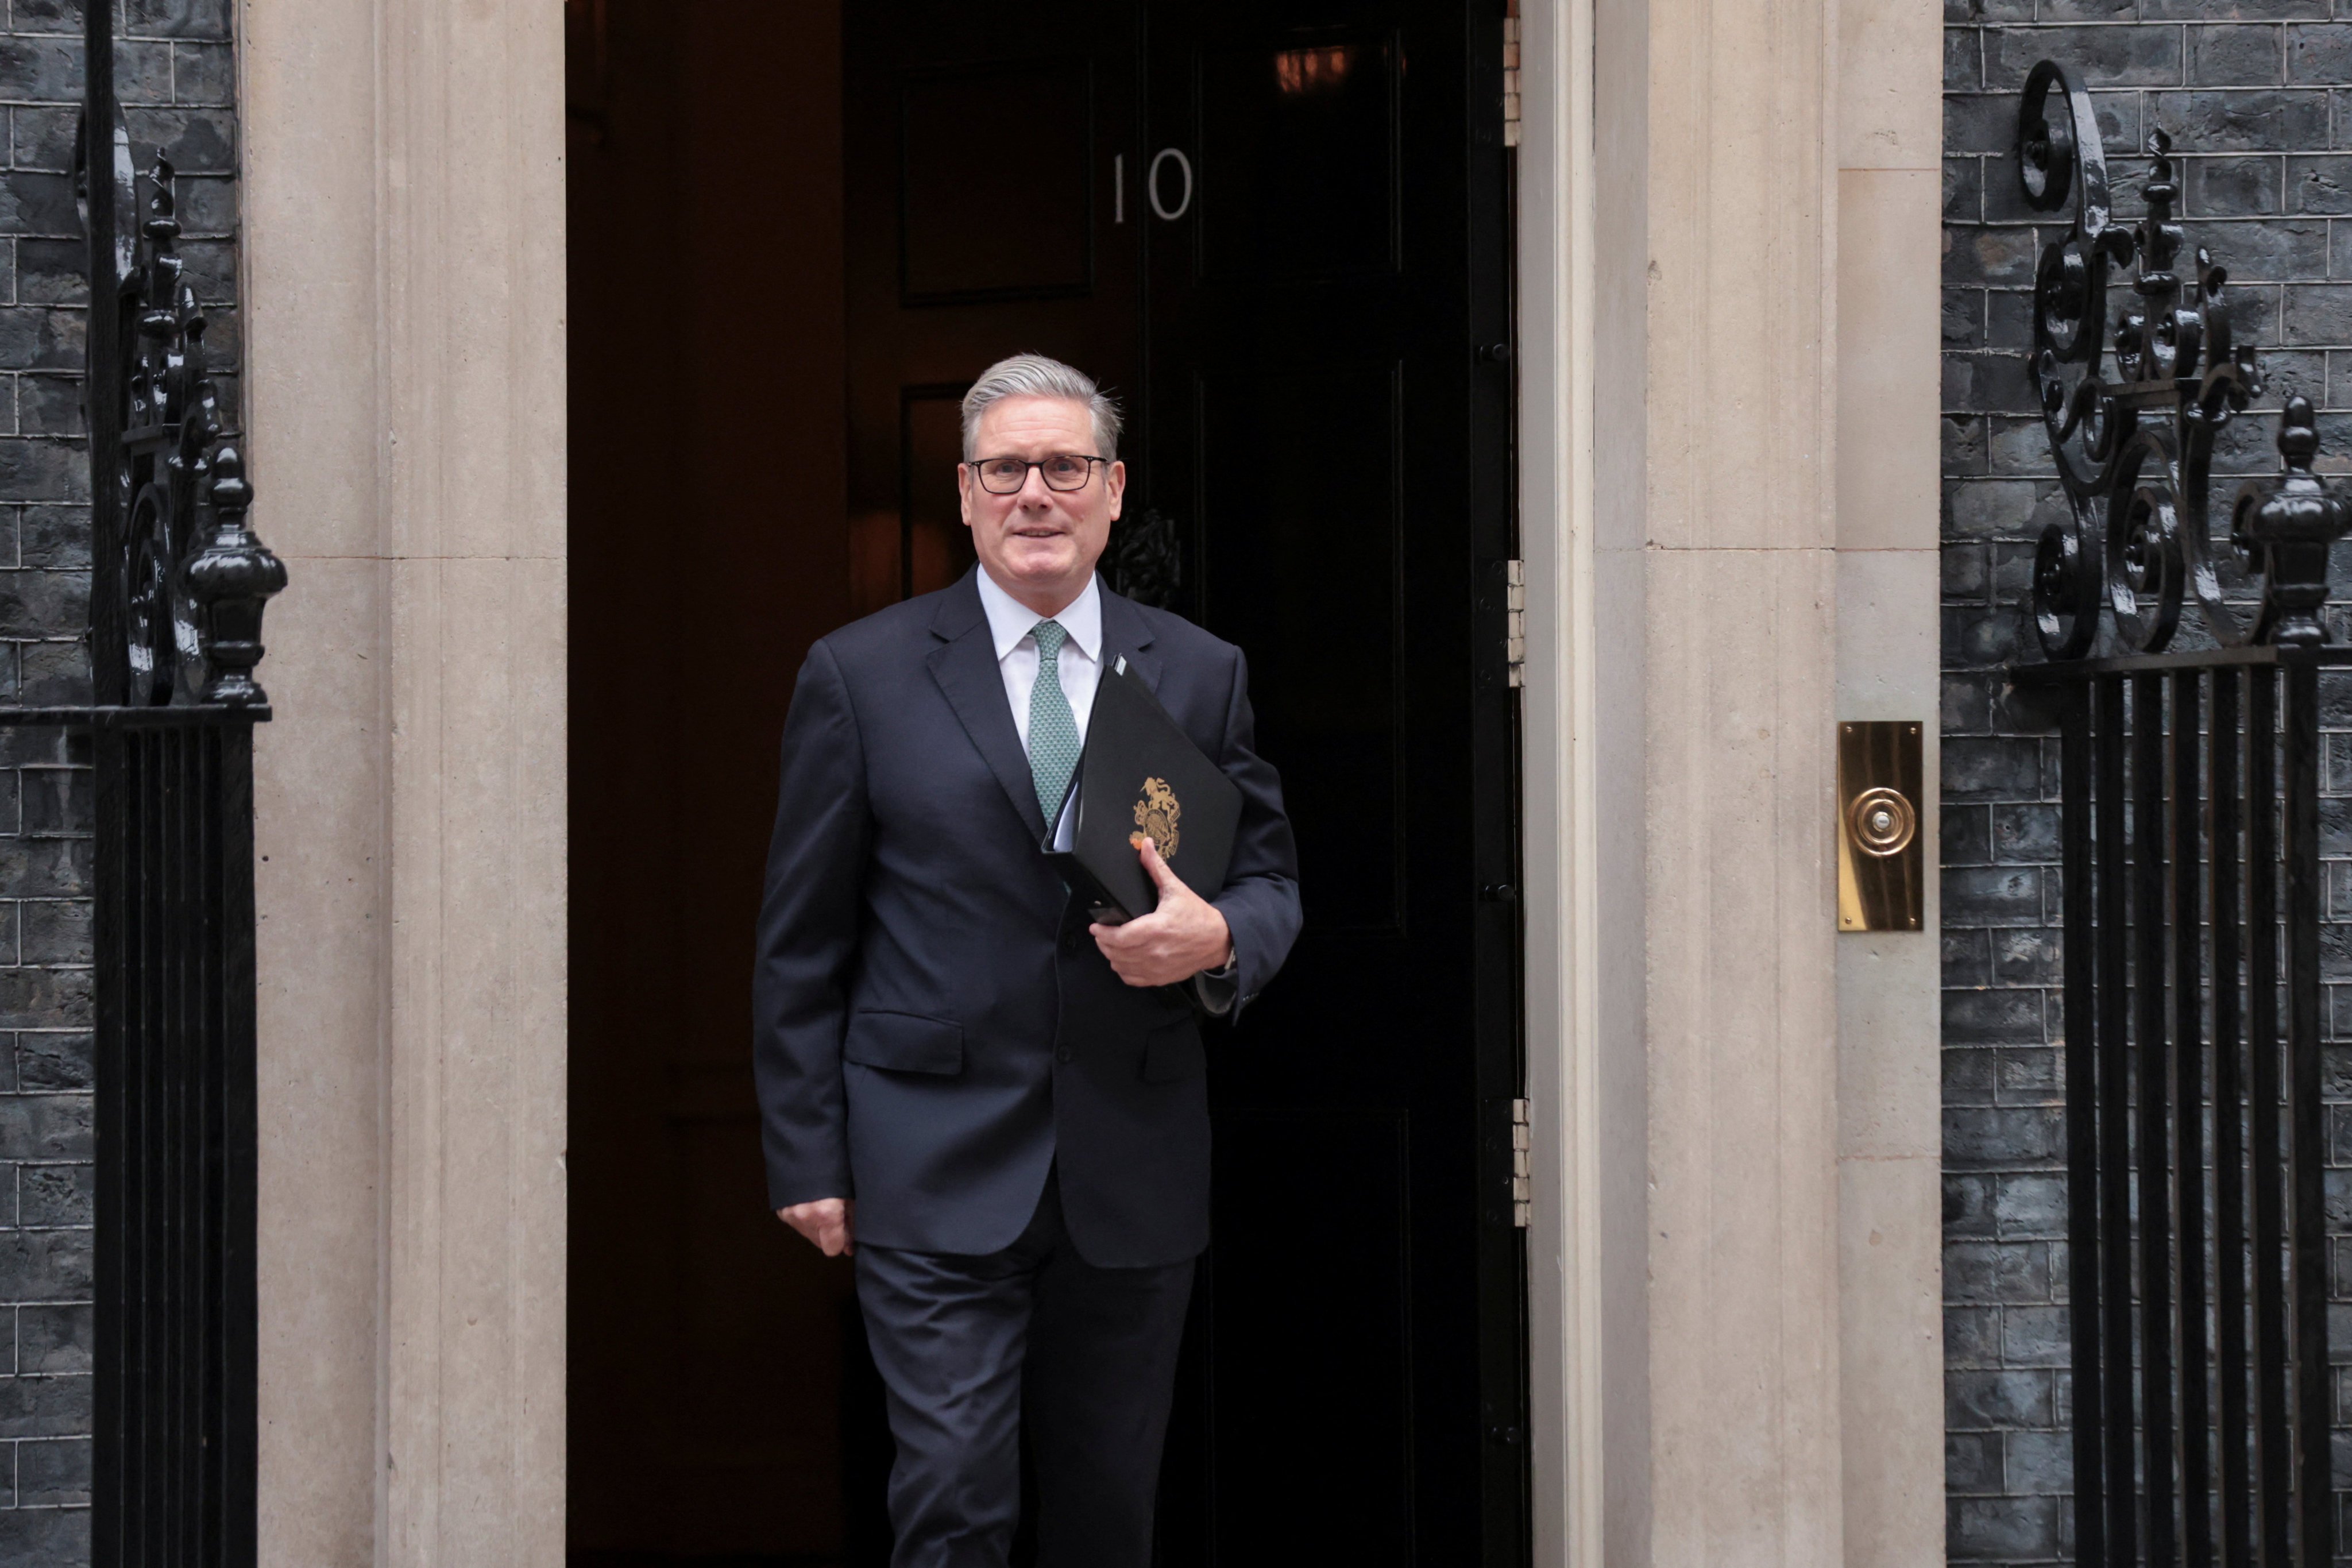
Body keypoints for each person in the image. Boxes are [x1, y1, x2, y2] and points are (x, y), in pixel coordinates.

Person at [752, 353, 1302, 1567]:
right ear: (963, 492)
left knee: (1108, 1510)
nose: (1034, 495)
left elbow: (1269, 884)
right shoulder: (861, 676)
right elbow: (802, 938)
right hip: (928, 1159)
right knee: (952, 1494)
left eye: (1064, 468)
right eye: (1006, 469)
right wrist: (807, 1153)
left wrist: (1216, 940)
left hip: (1131, 1159)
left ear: (1112, 491)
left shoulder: (1200, 672)